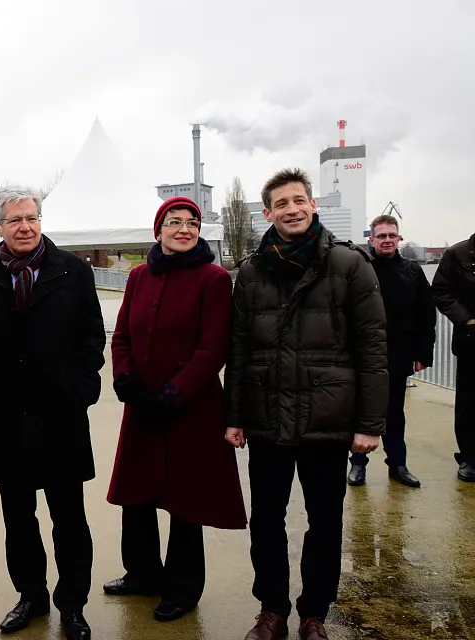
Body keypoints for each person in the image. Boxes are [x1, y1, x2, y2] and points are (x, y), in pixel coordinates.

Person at [224, 168, 387, 640]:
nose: (292, 209)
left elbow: (373, 347)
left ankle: (314, 613)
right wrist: (234, 417)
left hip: (327, 417)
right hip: (268, 417)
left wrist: (370, 424)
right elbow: (238, 350)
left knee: (325, 522)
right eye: (281, 203)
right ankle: (271, 610)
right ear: (268, 213)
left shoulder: (349, 264)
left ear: (313, 205)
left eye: (299, 200)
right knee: (266, 521)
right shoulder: (251, 271)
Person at [0, 186, 105, 640]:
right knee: (18, 520)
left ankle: (73, 604)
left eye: (32, 218)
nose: (25, 227)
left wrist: (80, 388)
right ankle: (31, 596)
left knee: (70, 520)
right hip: (8, 422)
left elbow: (92, 337)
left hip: (61, 417)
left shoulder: (73, 271)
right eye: (15, 220)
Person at [104, 196, 247, 623]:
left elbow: (214, 346)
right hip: (142, 404)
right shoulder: (138, 276)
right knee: (137, 493)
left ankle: (183, 588)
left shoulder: (214, 279)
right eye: (174, 221)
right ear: (159, 230)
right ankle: (142, 573)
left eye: (192, 223)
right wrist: (124, 377)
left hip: (190, 406)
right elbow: (122, 336)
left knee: (187, 500)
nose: (184, 229)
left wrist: (176, 391)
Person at [347, 214, 436, 488]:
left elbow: (426, 314)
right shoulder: (361, 269)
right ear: (371, 240)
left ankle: (397, 464)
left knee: (395, 412)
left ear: (399, 238)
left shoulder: (412, 271)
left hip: (398, 351)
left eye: (392, 235)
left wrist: (423, 353)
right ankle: (358, 463)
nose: (387, 240)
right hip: (363, 354)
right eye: (381, 236)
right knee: (360, 409)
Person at [431, 231, 475, 482]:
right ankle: (469, 458)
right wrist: (467, 319)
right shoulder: (457, 254)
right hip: (471, 341)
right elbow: (440, 291)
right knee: (469, 403)